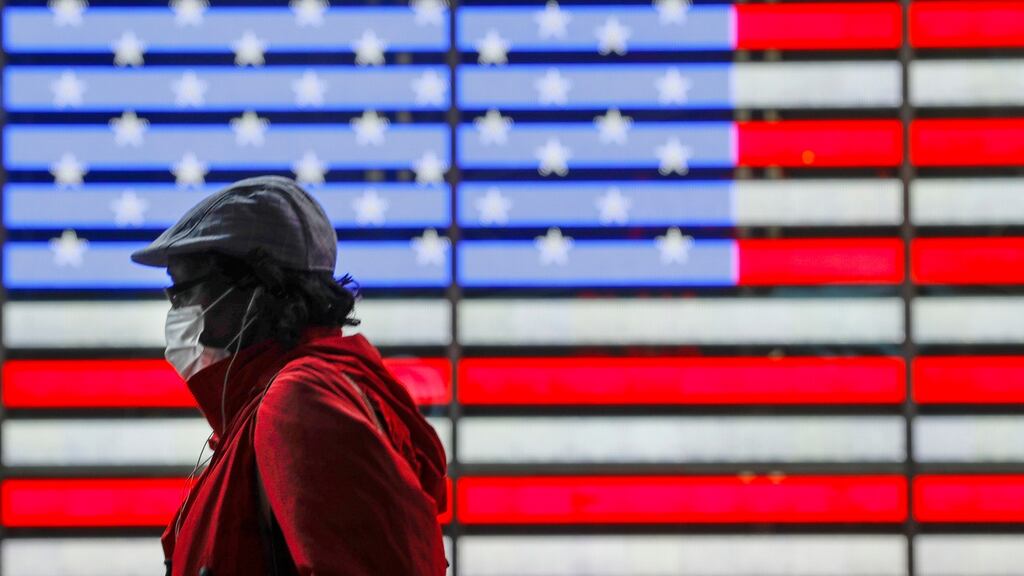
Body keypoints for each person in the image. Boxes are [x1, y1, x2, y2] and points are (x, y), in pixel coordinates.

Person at [130, 175, 450, 576]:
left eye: (184, 293)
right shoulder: (275, 399)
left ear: (259, 290)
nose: (178, 313)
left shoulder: (299, 401)